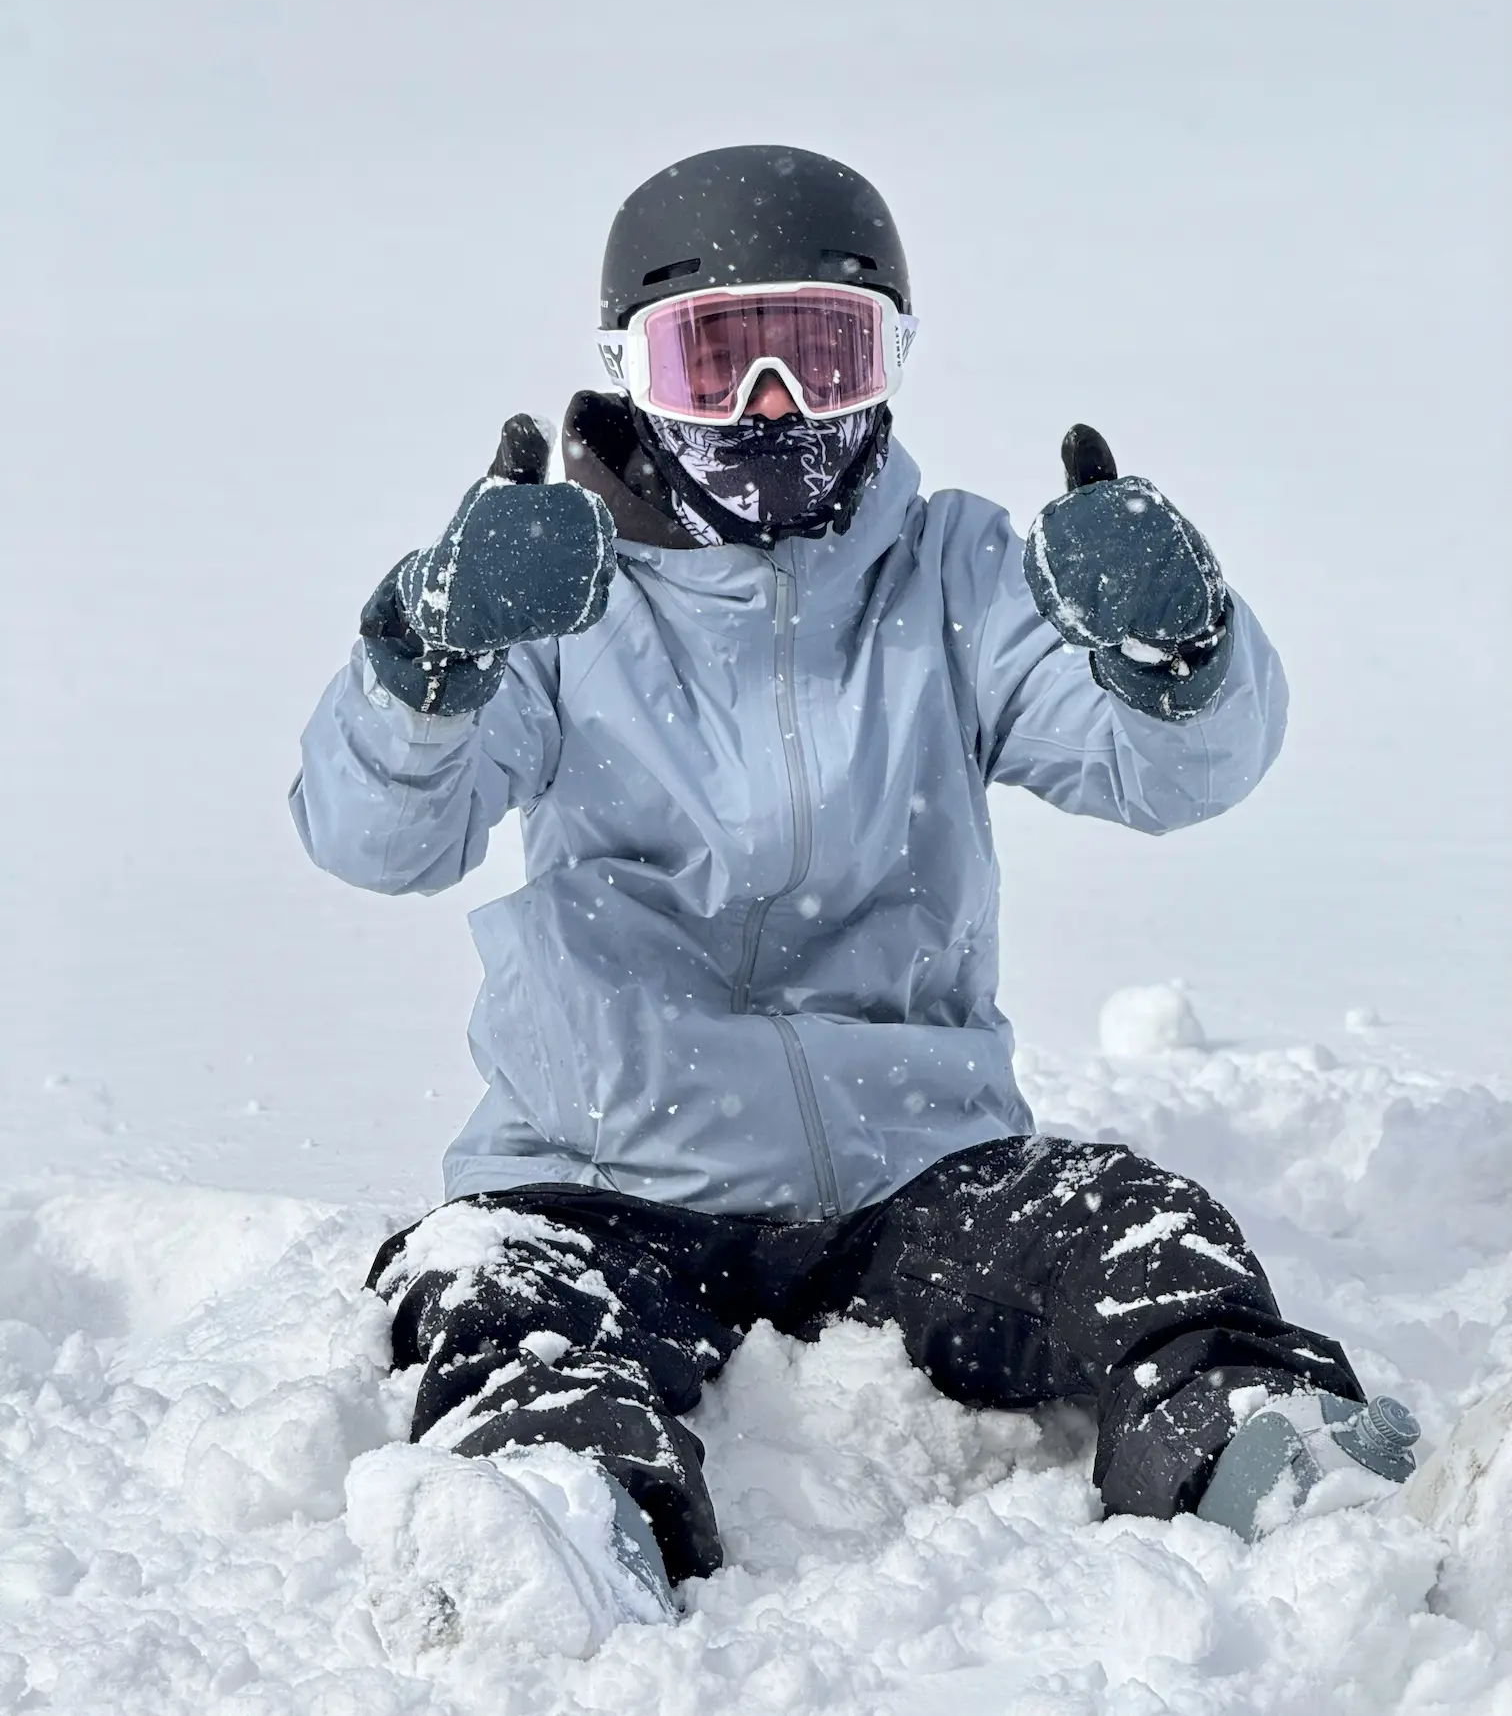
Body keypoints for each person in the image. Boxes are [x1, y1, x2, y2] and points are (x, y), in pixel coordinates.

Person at [292, 145, 1416, 1633]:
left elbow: (1176, 770)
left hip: (912, 1175)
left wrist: (1184, 655)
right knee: (487, 1284)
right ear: (633, 374)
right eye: (720, 361)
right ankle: (555, 1515)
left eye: (822, 353)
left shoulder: (951, 574)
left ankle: (1264, 1456)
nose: (776, 409)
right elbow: (378, 837)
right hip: (611, 1170)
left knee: (1134, 1224)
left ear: (890, 362)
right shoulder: (555, 598)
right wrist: (422, 675)